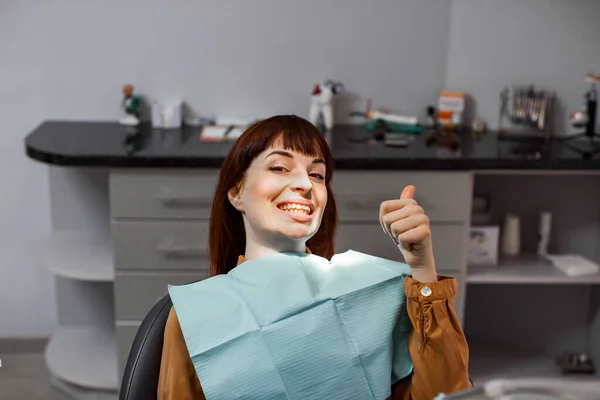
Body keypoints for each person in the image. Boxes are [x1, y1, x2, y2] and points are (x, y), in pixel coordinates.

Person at [158, 115, 471, 399]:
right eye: (279, 167)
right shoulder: (198, 314)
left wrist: (423, 269)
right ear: (236, 191)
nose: (305, 184)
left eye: (317, 175)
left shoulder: (374, 290)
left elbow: (443, 393)